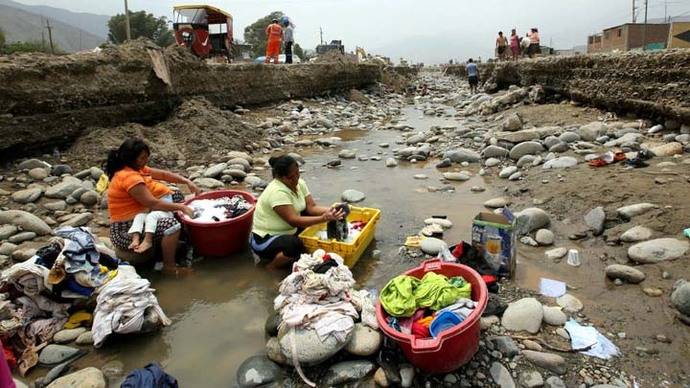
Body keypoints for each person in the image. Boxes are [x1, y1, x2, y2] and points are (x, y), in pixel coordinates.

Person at [106, 138, 200, 275]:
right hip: (127, 230)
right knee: (170, 224)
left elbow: (163, 174)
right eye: (143, 158)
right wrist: (182, 208)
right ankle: (169, 267)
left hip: (143, 215)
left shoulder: (136, 168)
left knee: (177, 196)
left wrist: (186, 181)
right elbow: (152, 203)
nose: (146, 161)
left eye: (146, 157)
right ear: (131, 158)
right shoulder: (129, 177)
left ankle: (179, 242)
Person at [250, 155, 344, 270]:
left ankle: (292, 255)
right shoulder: (277, 192)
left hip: (288, 230)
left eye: (297, 174)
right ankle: (271, 267)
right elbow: (293, 220)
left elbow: (311, 208)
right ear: (280, 178)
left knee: (329, 213)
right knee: (295, 245)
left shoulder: (300, 183)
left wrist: (333, 210)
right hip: (266, 239)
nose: (295, 179)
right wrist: (324, 218)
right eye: (290, 177)